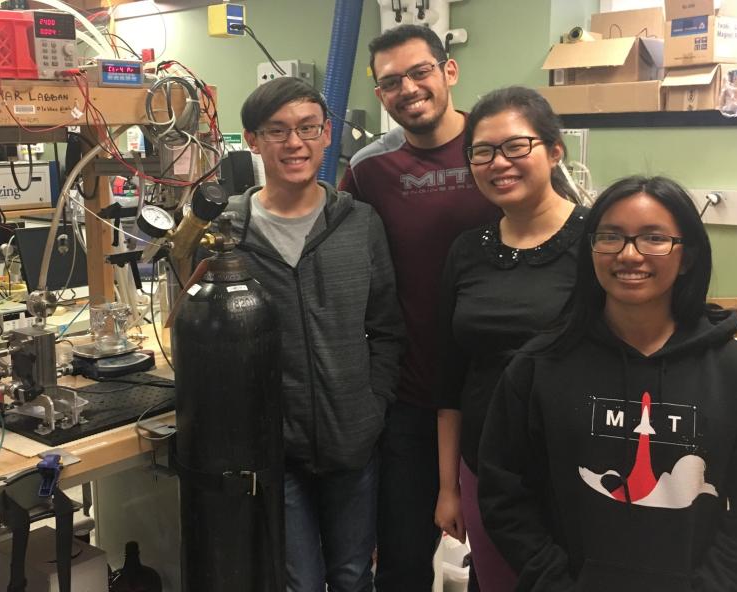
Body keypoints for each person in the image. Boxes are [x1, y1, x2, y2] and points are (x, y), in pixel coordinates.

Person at [478, 175, 737, 591]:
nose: (629, 254)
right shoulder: (539, 367)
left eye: (653, 238)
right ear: (592, 250)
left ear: (686, 255)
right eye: (611, 237)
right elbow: (504, 495)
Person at [339, 24, 500, 591]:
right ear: (379, 94)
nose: (407, 88)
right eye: (390, 81)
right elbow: (333, 258)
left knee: (502, 562)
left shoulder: (498, 153)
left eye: (419, 71)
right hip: (410, 400)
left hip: (496, 397)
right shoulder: (368, 173)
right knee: (404, 562)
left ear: (448, 71)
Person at [229, 76, 405, 592]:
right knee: (299, 583)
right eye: (278, 131)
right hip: (273, 446)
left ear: (327, 134)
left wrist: (373, 407)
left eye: (308, 128)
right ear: (252, 140)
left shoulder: (359, 223)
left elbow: (387, 328)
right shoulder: (228, 233)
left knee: (352, 576)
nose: (295, 143)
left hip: (353, 438)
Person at [436, 86, 586, 591]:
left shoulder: (598, 242)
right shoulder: (467, 251)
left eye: (516, 146)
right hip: (487, 469)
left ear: (554, 150)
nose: (499, 162)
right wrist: (448, 487)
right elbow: (451, 377)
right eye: (482, 151)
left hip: (579, 472)